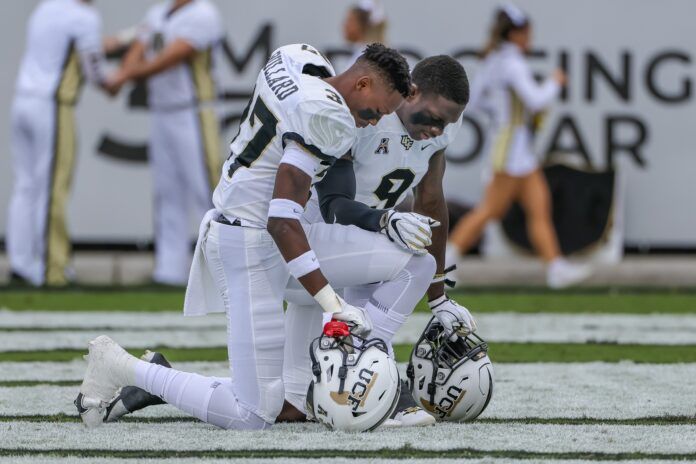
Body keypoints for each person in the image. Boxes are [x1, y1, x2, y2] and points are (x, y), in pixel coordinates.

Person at [77, 43, 421, 431]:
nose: (374, 122)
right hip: (249, 245)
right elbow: (281, 221)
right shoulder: (329, 116)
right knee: (253, 415)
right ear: (361, 83)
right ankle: (126, 368)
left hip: (273, 233)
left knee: (412, 262)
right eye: (376, 111)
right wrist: (333, 303)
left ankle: (177, 382)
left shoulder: (300, 57)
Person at [281, 55, 476, 426]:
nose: (437, 129)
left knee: (291, 408)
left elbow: (431, 200)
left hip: (356, 243)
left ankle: (156, 381)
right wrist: (386, 220)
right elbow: (335, 207)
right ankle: (366, 373)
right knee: (414, 266)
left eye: (446, 122)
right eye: (433, 117)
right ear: (411, 92)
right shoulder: (366, 114)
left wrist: (439, 298)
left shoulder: (444, 126)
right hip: (310, 243)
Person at [448, 3, 591, 289]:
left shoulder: (495, 60)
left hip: (518, 149)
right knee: (489, 211)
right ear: (514, 34)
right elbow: (536, 100)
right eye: (527, 33)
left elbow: (474, 102)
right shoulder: (511, 63)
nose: (530, 39)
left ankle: (555, 267)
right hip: (510, 151)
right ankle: (445, 263)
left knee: (539, 207)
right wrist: (555, 82)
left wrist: (499, 112)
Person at [106, 0, 224, 285]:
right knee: (166, 191)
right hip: (162, 110)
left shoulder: (204, 13)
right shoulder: (158, 12)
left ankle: (219, 268)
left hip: (194, 111)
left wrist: (124, 76)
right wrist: (123, 72)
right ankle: (170, 270)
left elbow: (171, 57)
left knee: (207, 190)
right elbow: (139, 48)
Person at [7, 0, 113, 287]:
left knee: (25, 187)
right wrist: (112, 83)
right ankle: (50, 268)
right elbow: (95, 72)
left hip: (22, 101)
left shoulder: (46, 6)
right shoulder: (84, 16)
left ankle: (21, 264)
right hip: (52, 106)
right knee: (52, 188)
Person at [342, 0, 388, 70]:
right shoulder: (364, 53)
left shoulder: (364, 58)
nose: (345, 25)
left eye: (350, 21)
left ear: (361, 25)